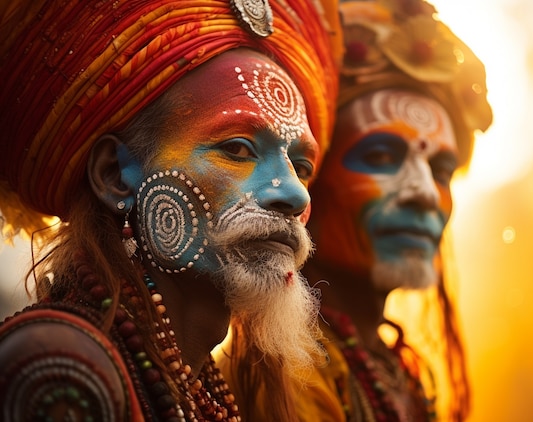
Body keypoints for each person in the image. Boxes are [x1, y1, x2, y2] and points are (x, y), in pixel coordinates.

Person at [0, 0, 342, 420]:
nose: (295, 194)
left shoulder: (193, 383)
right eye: (237, 149)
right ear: (115, 176)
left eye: (301, 167)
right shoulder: (58, 370)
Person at [217, 0, 492, 421]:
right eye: (381, 157)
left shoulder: (389, 368)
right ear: (309, 181)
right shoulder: (282, 380)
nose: (424, 194)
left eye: (440, 170)